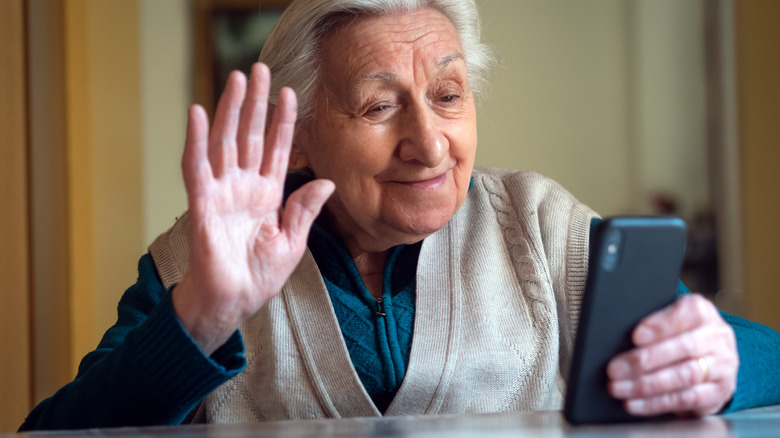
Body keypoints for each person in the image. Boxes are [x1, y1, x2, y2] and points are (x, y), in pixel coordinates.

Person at [20, 0, 780, 430]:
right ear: (301, 137)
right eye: (381, 105)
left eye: (449, 96)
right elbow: (54, 434)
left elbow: (757, 357)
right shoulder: (200, 261)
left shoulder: (542, 228)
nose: (429, 142)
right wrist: (203, 316)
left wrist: (720, 361)